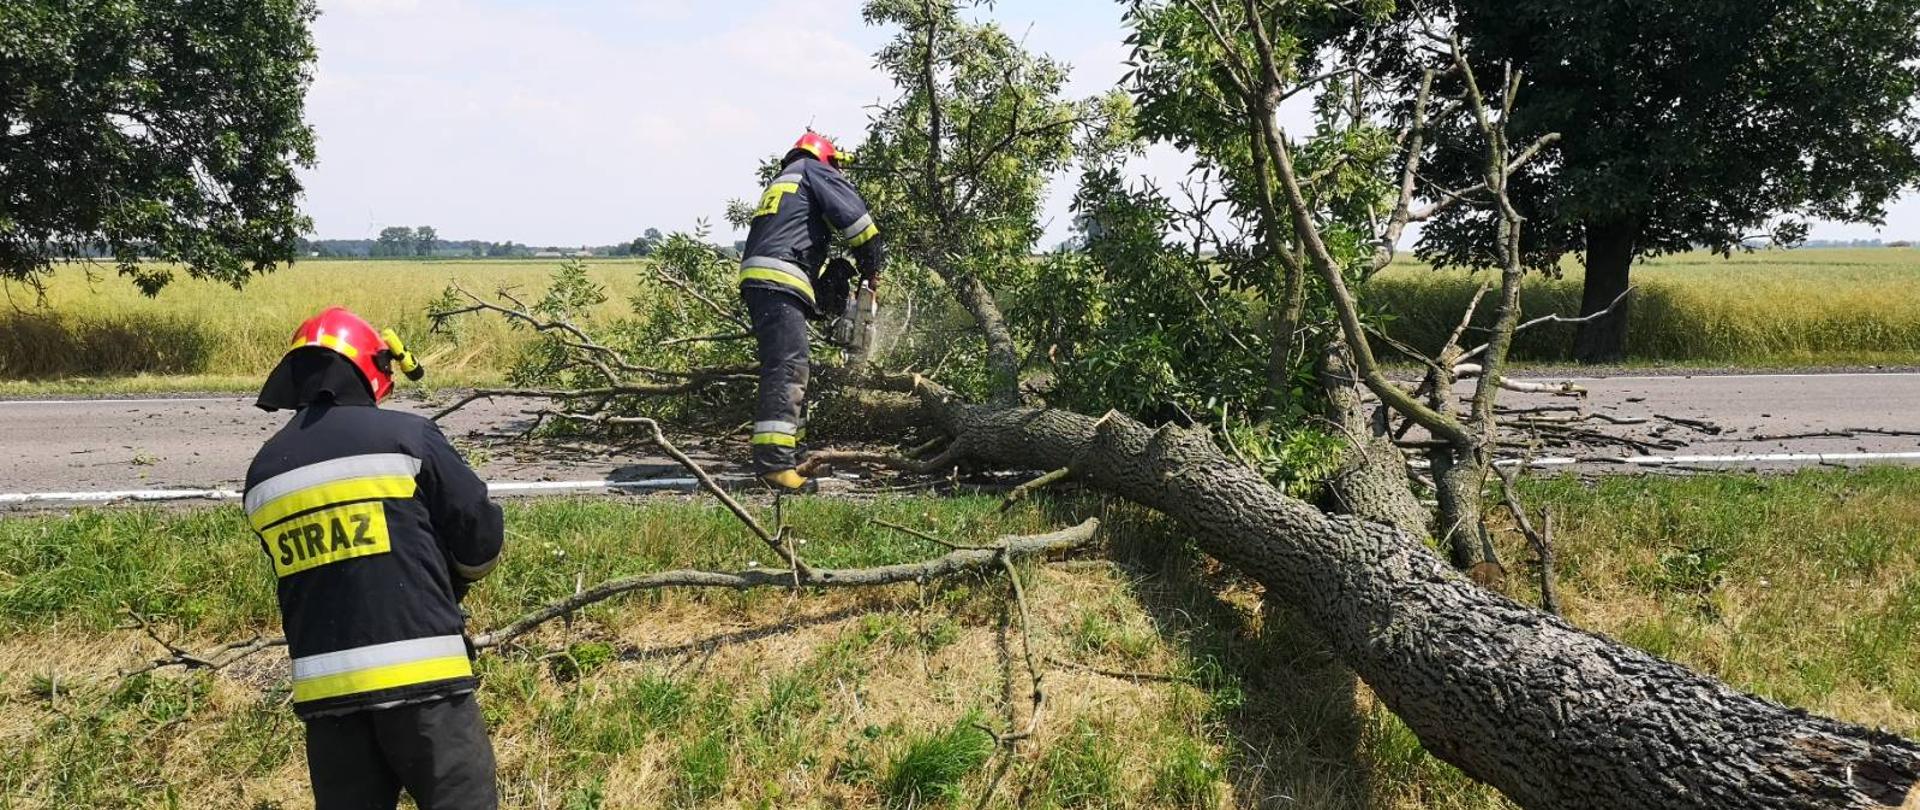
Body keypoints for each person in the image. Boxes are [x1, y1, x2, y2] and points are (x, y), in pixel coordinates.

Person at [244, 307, 504, 809]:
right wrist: (454, 580)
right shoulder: (408, 438)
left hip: (327, 701)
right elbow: (480, 536)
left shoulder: (264, 473)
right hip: (426, 686)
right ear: (373, 370)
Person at [737, 131, 886, 491]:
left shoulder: (784, 181)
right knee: (788, 367)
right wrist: (871, 269)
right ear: (828, 161)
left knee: (793, 363)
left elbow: (794, 240)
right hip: (779, 278)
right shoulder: (813, 170)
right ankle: (775, 468)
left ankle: (793, 453)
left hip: (764, 279)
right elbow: (860, 225)